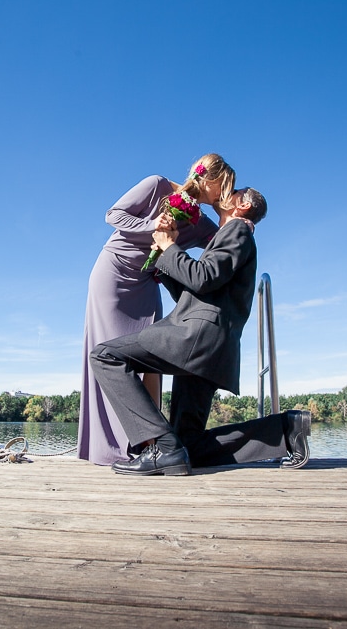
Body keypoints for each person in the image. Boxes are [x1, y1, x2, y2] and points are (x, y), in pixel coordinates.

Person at [89, 188, 310, 475]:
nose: (226, 193)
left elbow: (202, 278)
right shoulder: (232, 238)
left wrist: (170, 247)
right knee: (188, 446)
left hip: (195, 337)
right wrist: (162, 262)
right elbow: (193, 292)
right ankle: (286, 431)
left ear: (242, 205)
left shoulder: (237, 232)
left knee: (105, 356)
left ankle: (162, 447)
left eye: (235, 192)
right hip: (209, 347)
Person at [77, 154, 235, 466]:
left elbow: (219, 246)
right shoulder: (157, 185)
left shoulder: (201, 222)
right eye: (225, 187)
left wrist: (237, 223)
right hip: (114, 276)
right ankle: (113, 444)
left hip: (149, 281)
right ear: (210, 180)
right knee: (108, 353)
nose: (225, 194)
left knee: (151, 357)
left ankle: (153, 443)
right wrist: (153, 225)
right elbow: (114, 215)